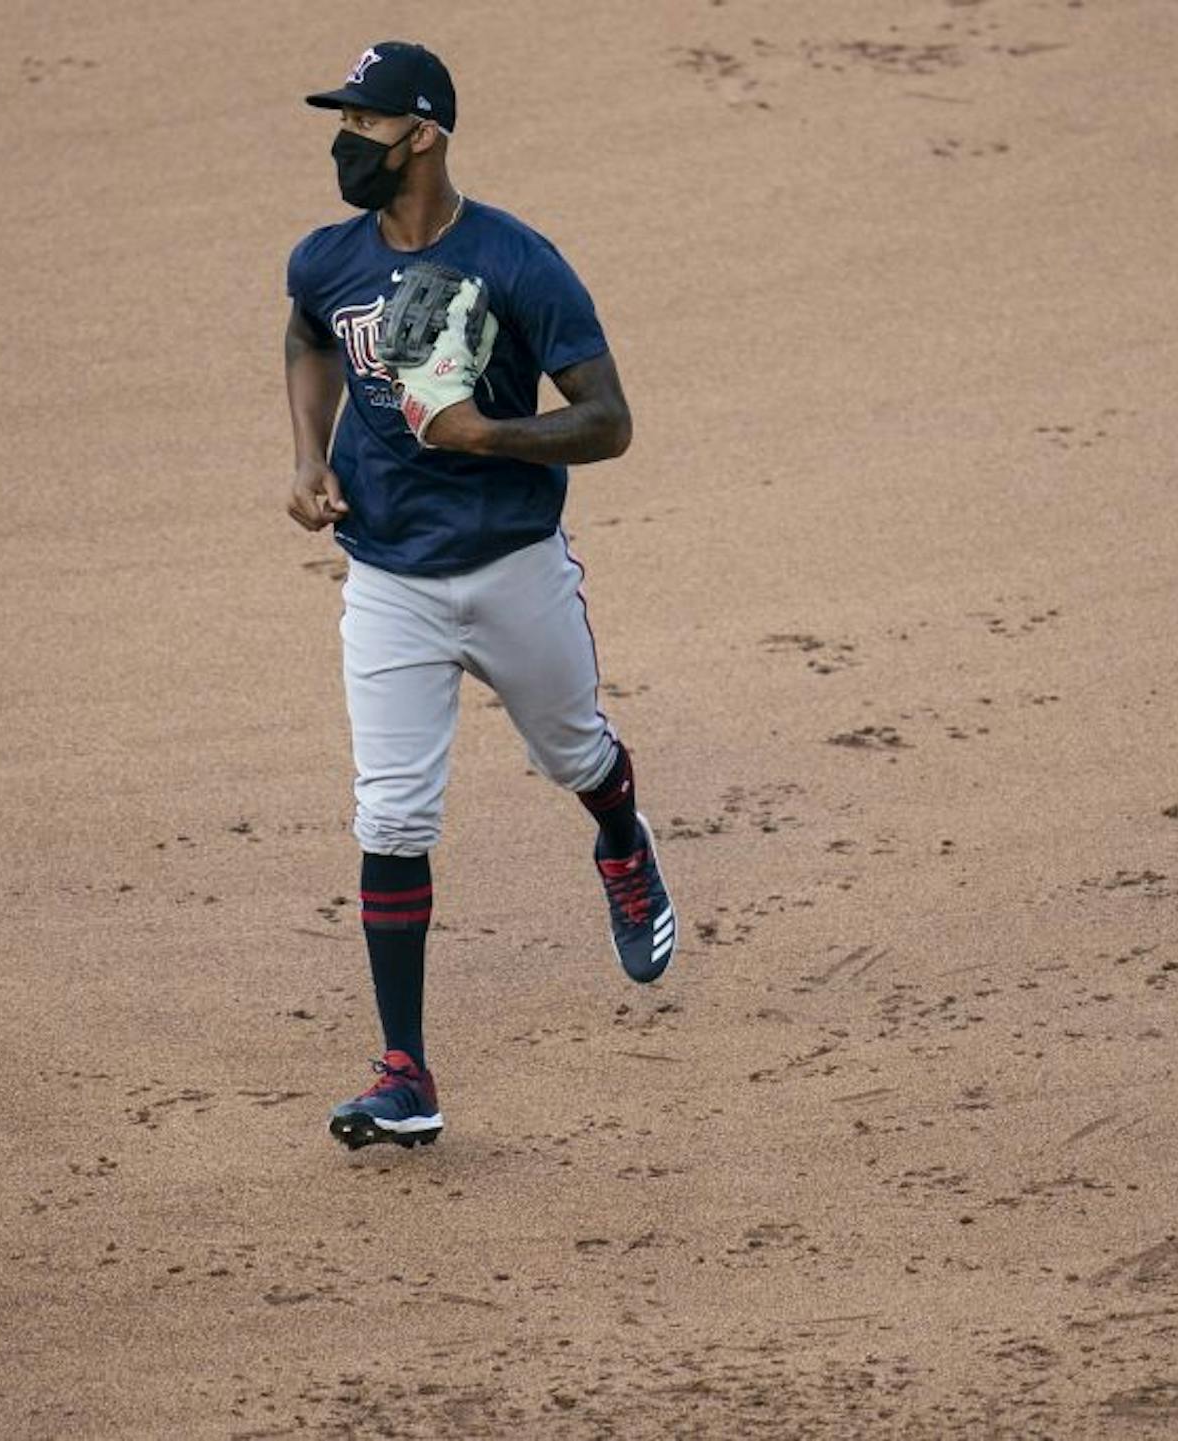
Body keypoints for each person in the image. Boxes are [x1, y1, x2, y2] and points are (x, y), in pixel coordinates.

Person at [281, 41, 677, 1150]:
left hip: (513, 567)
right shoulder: (325, 260)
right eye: (342, 122)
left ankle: (622, 843)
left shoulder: (519, 262)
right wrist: (309, 460)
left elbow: (610, 420)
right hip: (389, 578)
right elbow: (308, 335)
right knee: (392, 815)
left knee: (574, 753)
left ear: (423, 134)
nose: (342, 143)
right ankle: (405, 1073)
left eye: (363, 125)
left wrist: (489, 435)